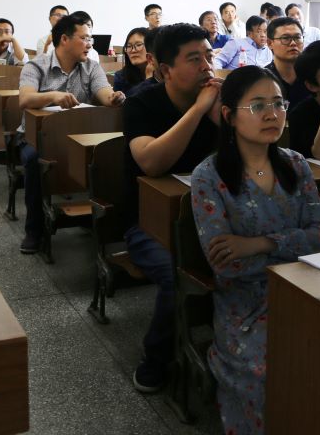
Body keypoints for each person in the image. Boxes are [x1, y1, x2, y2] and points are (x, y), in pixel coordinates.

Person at [190, 66, 320, 433]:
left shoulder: (296, 164)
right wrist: (293, 246)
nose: (272, 114)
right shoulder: (209, 176)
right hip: (246, 307)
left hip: (306, 291)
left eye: (279, 103)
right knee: (272, 368)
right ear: (229, 116)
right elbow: (227, 265)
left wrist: (259, 244)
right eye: (257, 106)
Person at [122, 23, 222, 393]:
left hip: (211, 216)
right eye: (194, 59)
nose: (206, 66)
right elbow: (151, 163)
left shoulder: (218, 100)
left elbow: (250, 161)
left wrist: (223, 121)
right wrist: (198, 110)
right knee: (174, 271)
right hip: (147, 223)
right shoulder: (141, 103)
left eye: (208, 56)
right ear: (165, 70)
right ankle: (156, 358)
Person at [17, 14, 125, 254]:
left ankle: (105, 222)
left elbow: (104, 92)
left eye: (90, 39)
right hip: (37, 137)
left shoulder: (91, 66)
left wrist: (114, 98)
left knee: (109, 155)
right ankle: (34, 229)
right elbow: (25, 99)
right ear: (64, 39)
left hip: (79, 136)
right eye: (84, 38)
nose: (90, 44)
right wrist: (53, 96)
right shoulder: (36, 66)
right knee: (34, 160)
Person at [263, 16, 311, 107]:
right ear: (269, 43)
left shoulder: (312, 76)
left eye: (297, 37)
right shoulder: (263, 79)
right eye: (285, 38)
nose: (293, 43)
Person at [112, 27, 150, 93]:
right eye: (129, 46)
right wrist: (149, 80)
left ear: (151, 46)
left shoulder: (162, 72)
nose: (133, 50)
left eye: (138, 45)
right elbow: (128, 99)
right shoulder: (121, 76)